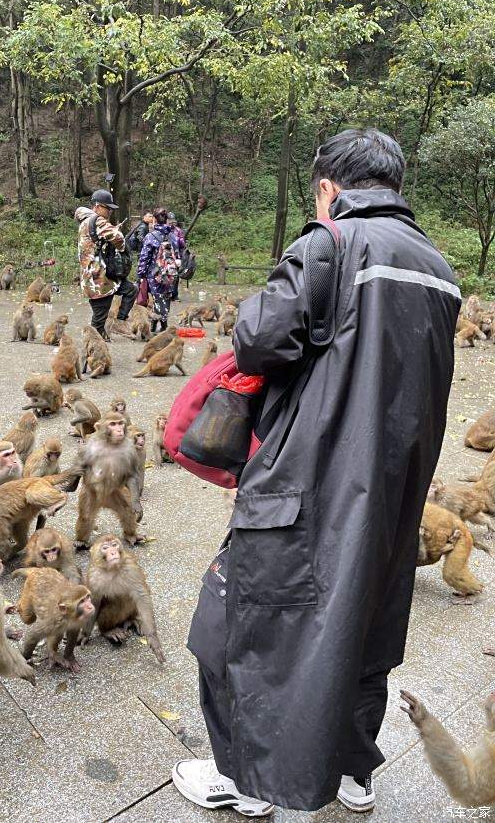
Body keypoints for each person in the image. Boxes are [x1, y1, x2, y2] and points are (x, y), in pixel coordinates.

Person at [173, 129, 460, 817]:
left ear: (330, 187)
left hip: (306, 486)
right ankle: (354, 772)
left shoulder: (330, 243)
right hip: (392, 496)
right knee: (367, 626)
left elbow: (259, 337)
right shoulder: (440, 271)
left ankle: (243, 778)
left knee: (236, 621)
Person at [74, 190, 137, 338]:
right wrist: (122, 248)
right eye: (107, 208)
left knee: (131, 290)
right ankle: (89, 356)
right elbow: (118, 238)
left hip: (102, 277)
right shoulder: (97, 220)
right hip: (98, 281)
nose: (109, 211)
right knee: (98, 322)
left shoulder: (86, 222)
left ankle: (118, 322)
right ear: (96, 206)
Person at [137, 207, 184, 332]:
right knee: (166, 296)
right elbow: (179, 253)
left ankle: (154, 323)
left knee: (156, 297)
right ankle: (164, 322)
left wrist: (141, 274)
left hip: (154, 273)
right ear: (167, 219)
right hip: (170, 272)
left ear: (154, 220)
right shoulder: (173, 236)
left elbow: (144, 257)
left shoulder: (150, 236)